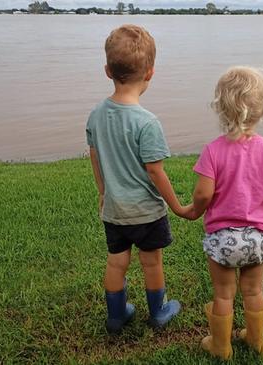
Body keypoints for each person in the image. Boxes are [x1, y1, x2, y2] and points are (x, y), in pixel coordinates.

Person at [181, 66, 263, 359]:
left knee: (224, 294)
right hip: (258, 238)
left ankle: (221, 346)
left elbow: (203, 194)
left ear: (220, 108)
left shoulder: (213, 151)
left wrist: (195, 210)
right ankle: (255, 340)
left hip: (223, 239)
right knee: (253, 291)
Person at [86, 24, 184, 335]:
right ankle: (158, 311)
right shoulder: (147, 122)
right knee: (151, 262)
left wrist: (103, 191)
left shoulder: (96, 114)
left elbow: (95, 156)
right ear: (151, 72)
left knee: (117, 262)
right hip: (146, 211)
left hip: (114, 209)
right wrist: (178, 206)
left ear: (106, 70)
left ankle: (116, 316)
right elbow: (155, 171)